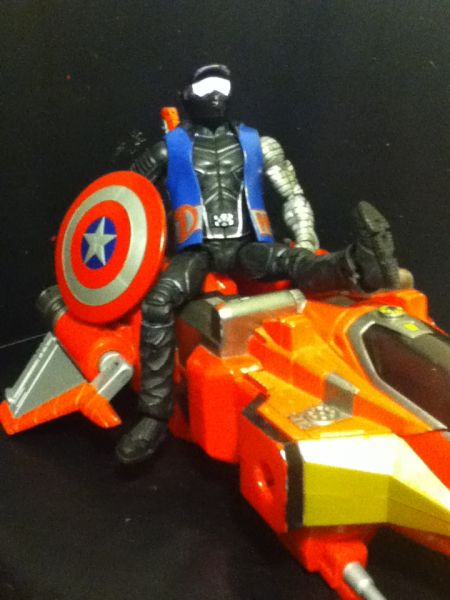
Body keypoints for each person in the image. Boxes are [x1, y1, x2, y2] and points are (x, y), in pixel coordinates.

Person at [115, 64, 400, 464]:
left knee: (297, 262)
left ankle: (359, 264)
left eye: (222, 84)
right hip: (197, 250)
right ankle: (153, 416)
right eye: (206, 85)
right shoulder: (166, 149)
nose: (216, 92)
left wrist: (307, 240)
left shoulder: (258, 143)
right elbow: (123, 202)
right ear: (188, 93)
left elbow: (293, 194)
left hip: (248, 245)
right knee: (159, 302)